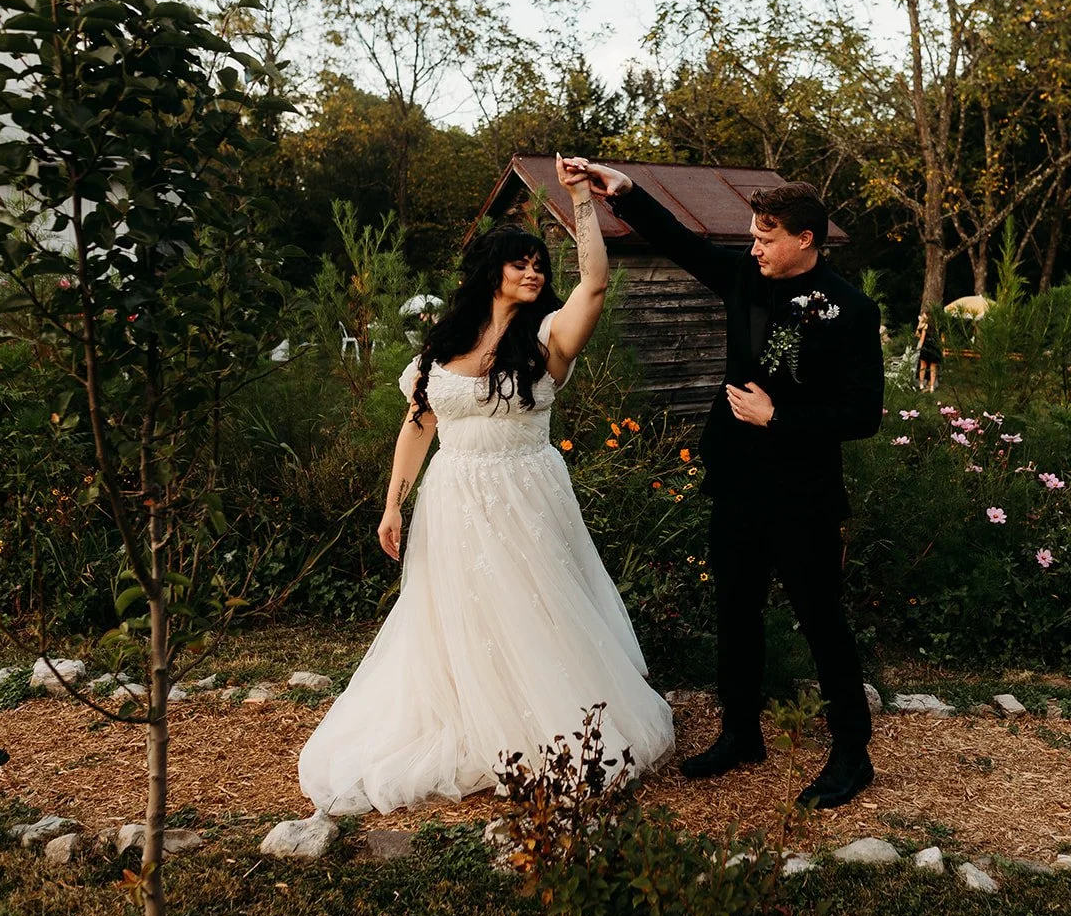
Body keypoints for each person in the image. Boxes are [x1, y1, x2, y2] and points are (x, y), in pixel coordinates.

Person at [298, 155, 674, 816]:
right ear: (491, 270)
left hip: (526, 489)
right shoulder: (443, 342)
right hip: (452, 494)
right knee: (457, 613)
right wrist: (393, 502)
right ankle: (472, 717)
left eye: (538, 264)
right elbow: (419, 424)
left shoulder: (549, 335)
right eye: (521, 262)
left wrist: (580, 198)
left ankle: (546, 729)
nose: (534, 272)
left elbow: (594, 280)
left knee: (536, 608)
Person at [571, 159, 883, 809]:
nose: (755, 247)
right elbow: (682, 243)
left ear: (805, 239)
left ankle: (852, 753)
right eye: (752, 234)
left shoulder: (852, 310)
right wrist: (624, 193)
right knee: (734, 612)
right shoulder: (742, 276)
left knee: (822, 622)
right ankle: (742, 733)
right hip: (737, 481)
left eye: (766, 237)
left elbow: (864, 413)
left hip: (804, 494)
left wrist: (783, 418)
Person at [915, 312, 942, 393]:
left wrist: (919, 348)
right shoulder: (937, 327)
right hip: (935, 348)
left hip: (926, 348)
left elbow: (920, 337)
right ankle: (932, 387)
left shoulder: (925, 326)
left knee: (923, 366)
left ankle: (921, 384)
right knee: (933, 368)